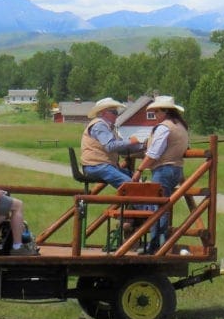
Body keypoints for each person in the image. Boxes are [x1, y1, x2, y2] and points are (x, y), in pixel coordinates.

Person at [132, 96, 190, 251]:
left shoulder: (164, 127)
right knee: (162, 207)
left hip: (163, 169)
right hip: (177, 169)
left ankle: (157, 245)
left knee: (157, 209)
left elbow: (154, 153)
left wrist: (139, 170)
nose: (155, 114)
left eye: (156, 111)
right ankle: (160, 244)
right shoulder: (181, 127)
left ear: (165, 111)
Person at [80, 97, 145, 189]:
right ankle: (150, 203)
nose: (117, 115)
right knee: (131, 186)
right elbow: (110, 146)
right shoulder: (99, 125)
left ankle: (140, 202)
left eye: (117, 112)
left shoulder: (108, 127)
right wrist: (131, 142)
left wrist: (143, 146)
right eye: (114, 112)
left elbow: (120, 147)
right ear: (103, 112)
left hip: (101, 166)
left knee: (137, 179)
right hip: (96, 166)